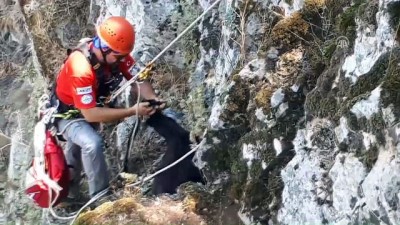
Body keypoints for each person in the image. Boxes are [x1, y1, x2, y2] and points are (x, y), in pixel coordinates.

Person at [54, 16, 164, 199]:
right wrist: (132, 111)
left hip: (88, 107)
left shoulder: (116, 55)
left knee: (76, 148)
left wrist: (153, 98)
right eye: (119, 56)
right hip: (68, 115)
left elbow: (138, 79)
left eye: (123, 56)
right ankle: (100, 198)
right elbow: (90, 114)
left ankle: (69, 191)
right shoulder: (80, 68)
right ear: (104, 48)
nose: (122, 60)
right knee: (91, 144)